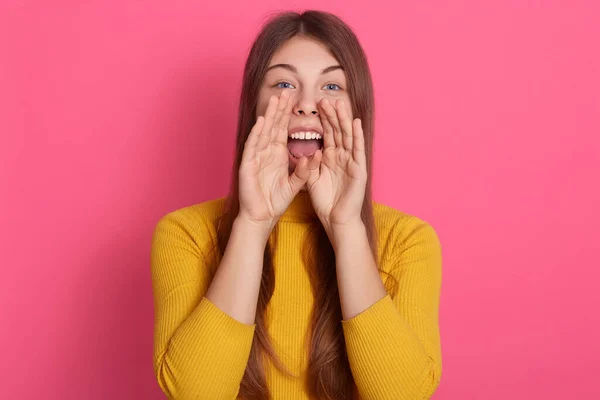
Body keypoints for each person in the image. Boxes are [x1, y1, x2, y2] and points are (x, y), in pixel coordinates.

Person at [150, 9, 442, 400]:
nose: (307, 105)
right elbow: (193, 393)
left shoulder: (407, 241)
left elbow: (403, 395)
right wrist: (253, 224)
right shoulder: (186, 233)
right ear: (254, 106)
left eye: (332, 87)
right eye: (284, 84)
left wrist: (346, 228)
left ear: (358, 109)